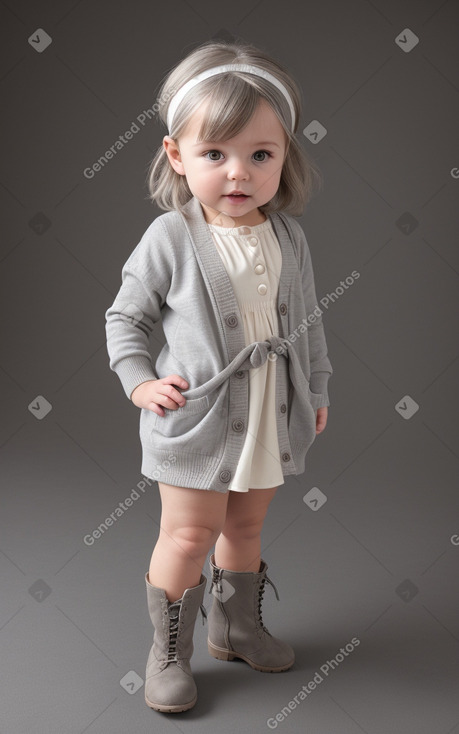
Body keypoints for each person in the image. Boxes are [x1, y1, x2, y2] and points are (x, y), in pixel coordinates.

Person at [105, 39, 333, 714]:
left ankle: (236, 627)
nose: (238, 173)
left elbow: (309, 325)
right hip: (199, 416)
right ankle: (169, 649)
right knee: (188, 532)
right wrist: (141, 383)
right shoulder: (170, 238)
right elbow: (125, 318)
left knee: (245, 527)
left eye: (259, 154)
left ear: (283, 154)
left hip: (268, 409)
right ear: (178, 155)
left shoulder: (288, 237)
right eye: (215, 155)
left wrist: (314, 389)